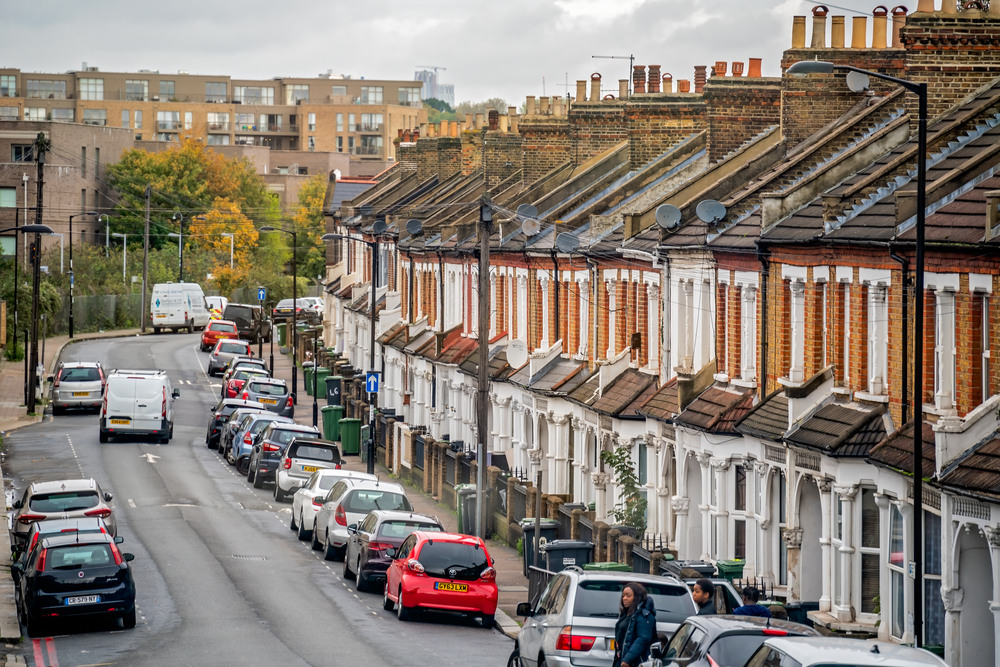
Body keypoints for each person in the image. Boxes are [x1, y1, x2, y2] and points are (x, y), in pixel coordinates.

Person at [614, 582, 657, 667]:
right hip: (621, 659)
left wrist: (627, 660)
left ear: (637, 597)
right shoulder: (625, 614)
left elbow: (643, 639)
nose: (624, 598)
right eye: (623, 596)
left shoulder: (645, 616)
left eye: (628, 596)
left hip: (636, 662)